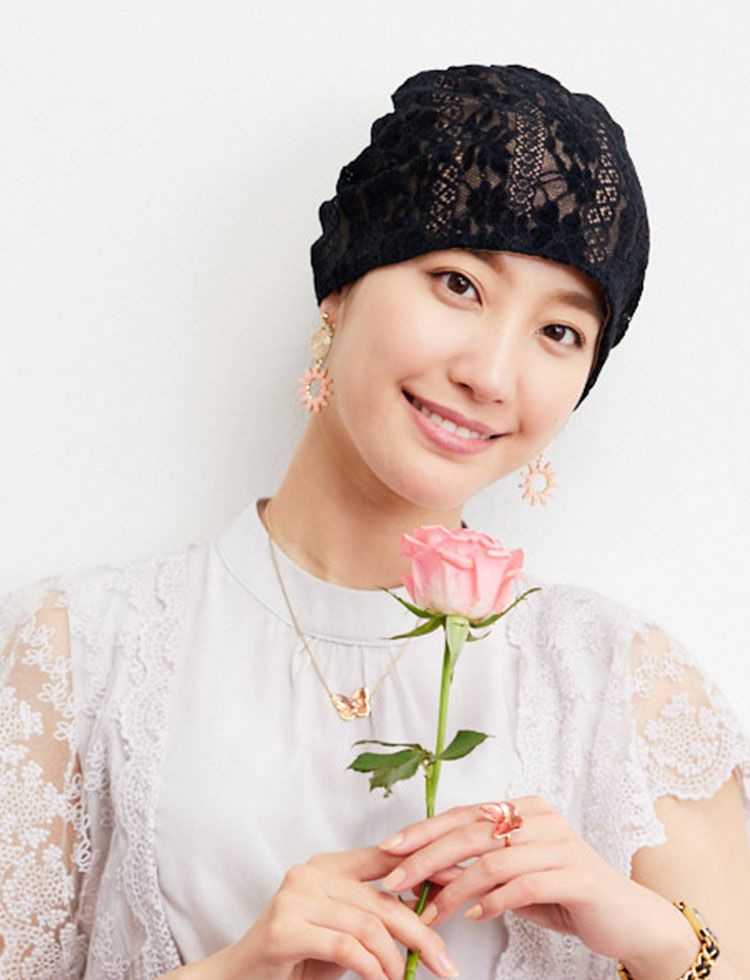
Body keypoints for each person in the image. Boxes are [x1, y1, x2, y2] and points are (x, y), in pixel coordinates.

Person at [1, 63, 749, 980]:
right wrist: (237, 969)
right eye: (458, 284)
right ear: (342, 284)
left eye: (560, 332)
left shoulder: (624, 686)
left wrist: (662, 941)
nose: (491, 374)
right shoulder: (80, 653)